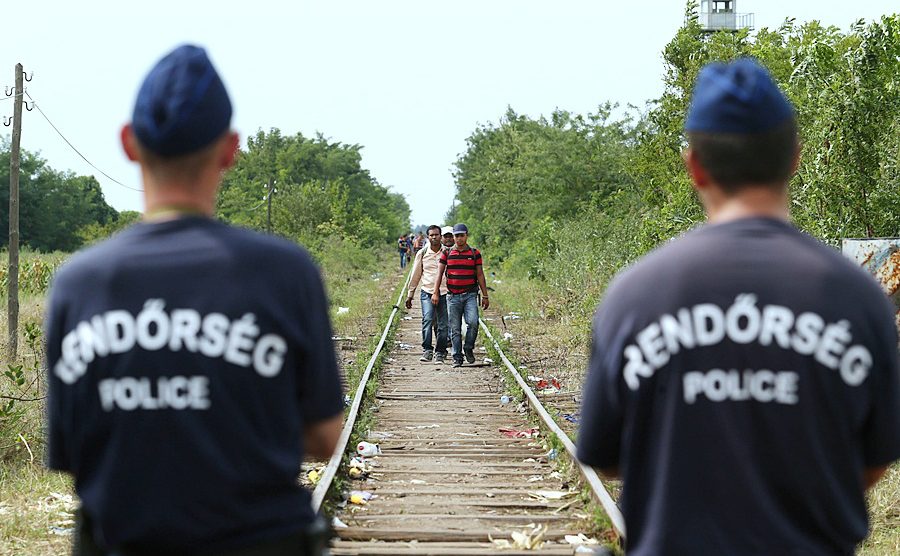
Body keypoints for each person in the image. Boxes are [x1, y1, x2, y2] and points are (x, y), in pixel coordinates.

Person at [576, 58, 900, 555]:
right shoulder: (857, 297)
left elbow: (606, 456)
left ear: (695, 167)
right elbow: (876, 456)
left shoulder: (635, 296)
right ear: (794, 157)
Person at [44, 45, 344, 556]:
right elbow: (323, 437)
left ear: (128, 143)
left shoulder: (79, 282)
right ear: (230, 149)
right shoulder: (285, 272)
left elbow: (73, 451)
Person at [433, 224, 489, 368]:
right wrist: (435, 292)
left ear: (466, 236)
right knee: (455, 328)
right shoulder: (447, 253)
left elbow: (480, 274)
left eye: (461, 235)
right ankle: (457, 357)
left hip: (470, 295)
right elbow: (439, 274)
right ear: (454, 237)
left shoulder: (474, 253)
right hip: (452, 297)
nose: (459, 238)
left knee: (473, 322)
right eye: (456, 236)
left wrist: (485, 295)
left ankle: (468, 348)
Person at [405, 225, 449, 364]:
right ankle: (427, 350)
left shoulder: (448, 252)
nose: (434, 237)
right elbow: (416, 274)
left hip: (445, 293)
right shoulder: (422, 253)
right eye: (431, 235)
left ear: (440, 236)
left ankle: (440, 352)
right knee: (427, 320)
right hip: (427, 292)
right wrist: (410, 294)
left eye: (436, 234)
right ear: (428, 237)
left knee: (443, 324)